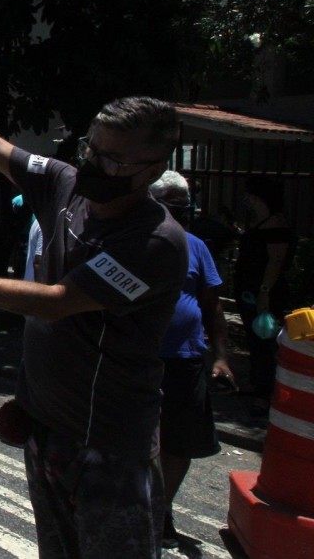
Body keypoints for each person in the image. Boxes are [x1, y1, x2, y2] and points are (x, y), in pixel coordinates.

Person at [0, 71, 188, 559]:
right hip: (48, 432)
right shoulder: (68, 187)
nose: (92, 164)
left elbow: (57, 301)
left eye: (112, 159)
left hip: (109, 448)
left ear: (152, 169)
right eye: (92, 148)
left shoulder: (154, 242)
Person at [149, 171, 235, 549]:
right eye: (171, 204)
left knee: (178, 443)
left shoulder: (197, 247)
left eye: (183, 206)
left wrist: (221, 357)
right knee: (137, 439)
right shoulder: (134, 242)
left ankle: (160, 509)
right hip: (138, 360)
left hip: (185, 362)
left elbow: (212, 307)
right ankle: (140, 505)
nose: (180, 213)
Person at [233, 175, 295, 411]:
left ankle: (266, 391)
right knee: (255, 338)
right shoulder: (262, 221)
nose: (247, 200)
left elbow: (275, 262)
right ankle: (259, 384)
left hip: (264, 292)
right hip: (252, 290)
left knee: (264, 341)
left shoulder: (275, 224)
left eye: (251, 195)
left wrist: (264, 293)